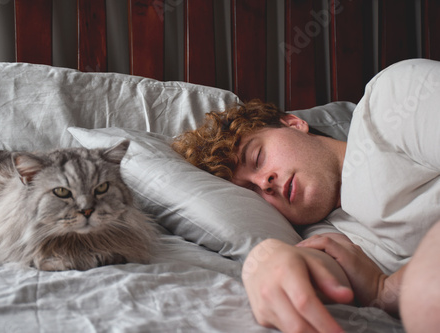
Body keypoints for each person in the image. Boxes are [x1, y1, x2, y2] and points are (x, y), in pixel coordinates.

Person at [172, 58, 440, 333]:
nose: (264, 183)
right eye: (251, 191)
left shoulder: (390, 102)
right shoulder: (324, 235)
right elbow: (318, 271)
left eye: (258, 157)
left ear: (293, 124)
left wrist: (392, 288)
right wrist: (264, 257)